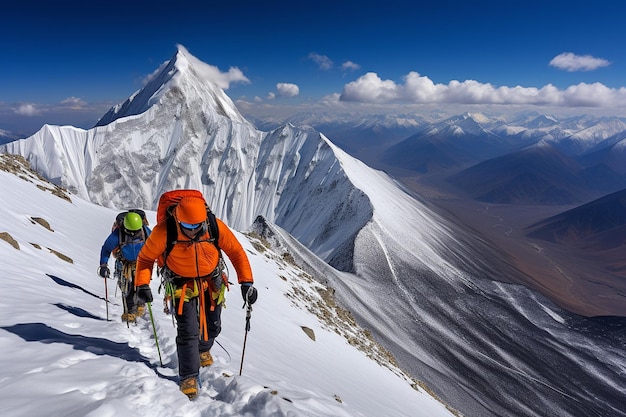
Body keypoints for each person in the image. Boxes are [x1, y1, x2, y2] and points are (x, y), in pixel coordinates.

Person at [134, 195, 258, 399]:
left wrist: (247, 282)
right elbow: (146, 258)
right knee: (188, 331)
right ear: (177, 219)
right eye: (185, 225)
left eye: (196, 226)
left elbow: (236, 252)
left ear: (204, 220)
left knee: (213, 325)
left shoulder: (214, 226)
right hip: (181, 284)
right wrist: (142, 283)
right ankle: (189, 376)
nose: (191, 231)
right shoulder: (165, 230)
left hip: (212, 280)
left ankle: (203, 349)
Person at [99, 212, 152, 322]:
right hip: (127, 264)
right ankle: (131, 311)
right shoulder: (122, 233)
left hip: (138, 263)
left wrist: (104, 264)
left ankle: (137, 306)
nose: (133, 234)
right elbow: (106, 249)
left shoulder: (142, 231)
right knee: (128, 288)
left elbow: (155, 244)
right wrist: (103, 265)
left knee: (138, 285)